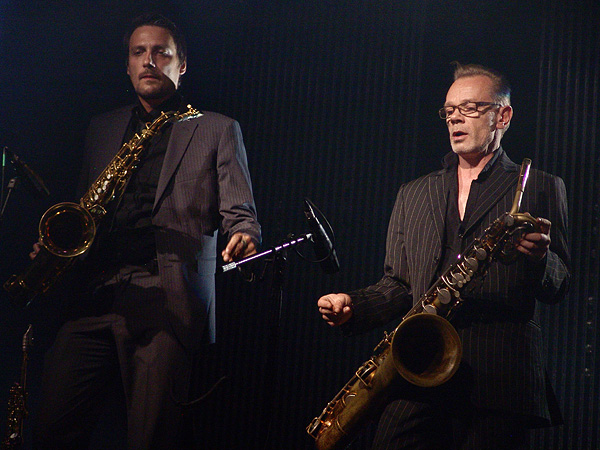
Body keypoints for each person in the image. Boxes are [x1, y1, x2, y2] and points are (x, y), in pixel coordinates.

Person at [33, 13, 261, 449]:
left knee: (152, 438)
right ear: (127, 65)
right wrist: (54, 246)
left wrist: (244, 234)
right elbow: (82, 209)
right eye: (139, 52)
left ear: (182, 64)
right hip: (97, 294)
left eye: (161, 52)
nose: (149, 61)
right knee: (52, 427)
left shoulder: (217, 128)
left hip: (166, 297)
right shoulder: (101, 129)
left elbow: (242, 212)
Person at [317, 63, 570, 449]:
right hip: (419, 365)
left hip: (498, 377)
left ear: (503, 116)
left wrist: (539, 259)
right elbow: (399, 285)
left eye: (469, 108)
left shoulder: (540, 186)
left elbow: (561, 283)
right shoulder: (413, 193)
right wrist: (355, 305)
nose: (455, 117)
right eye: (449, 110)